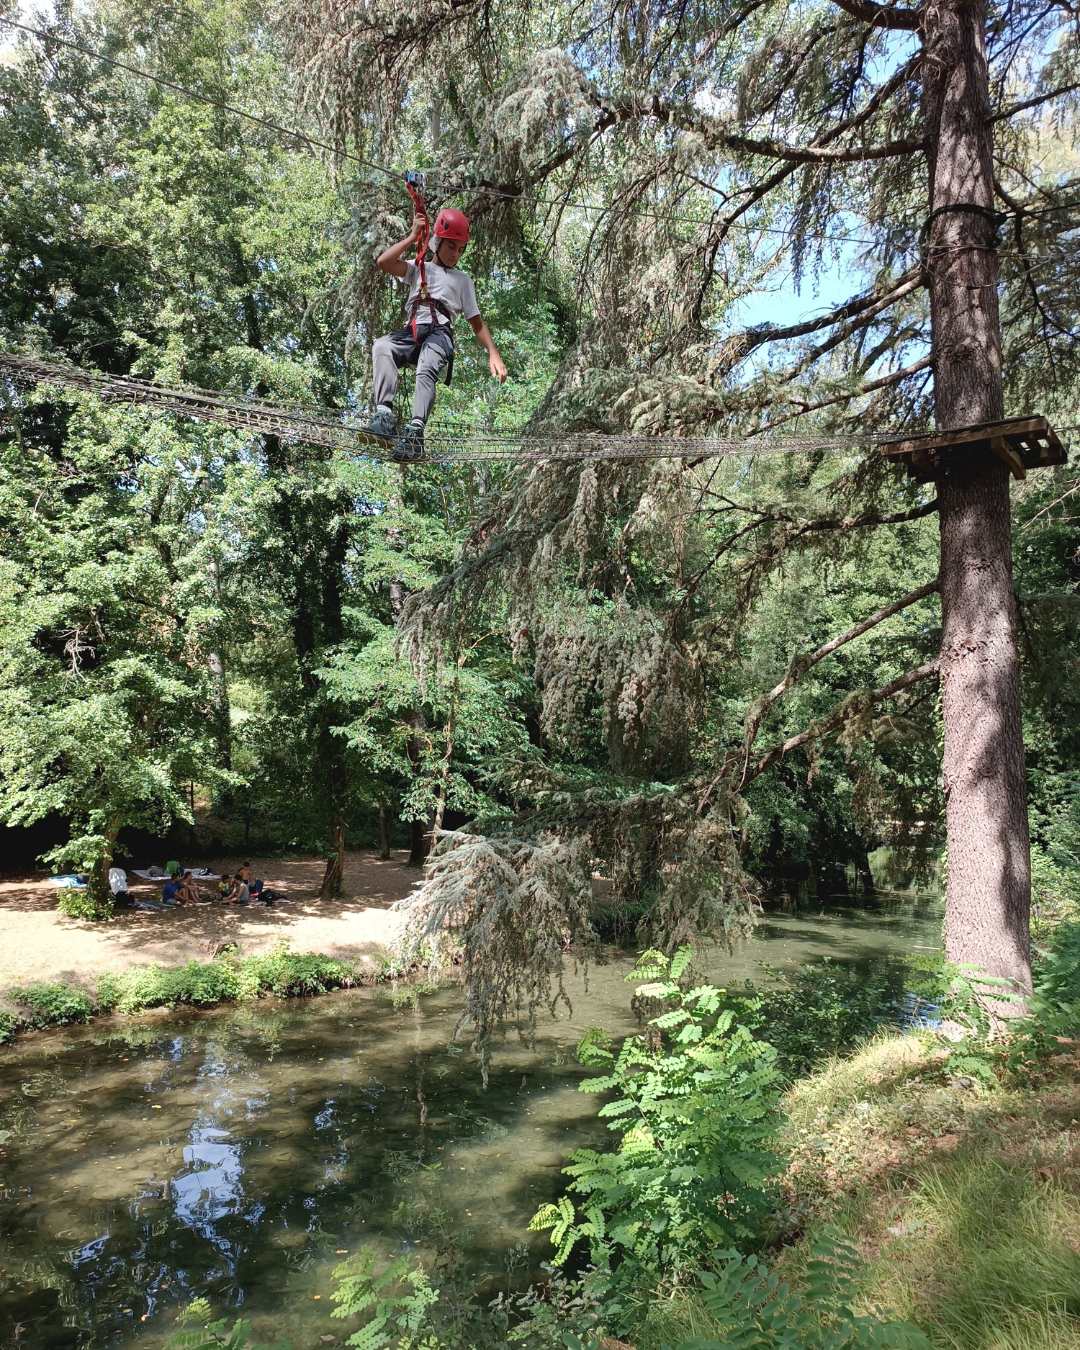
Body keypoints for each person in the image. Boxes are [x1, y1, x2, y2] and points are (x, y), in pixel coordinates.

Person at [366, 207, 507, 462]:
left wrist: (493, 353)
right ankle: (384, 416)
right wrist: (411, 237)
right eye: (451, 247)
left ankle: (415, 432)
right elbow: (384, 263)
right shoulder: (418, 268)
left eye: (460, 249)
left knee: (426, 366)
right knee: (382, 347)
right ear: (437, 243)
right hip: (412, 331)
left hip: (439, 334)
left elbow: (476, 322)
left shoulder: (462, 280)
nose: (456, 254)